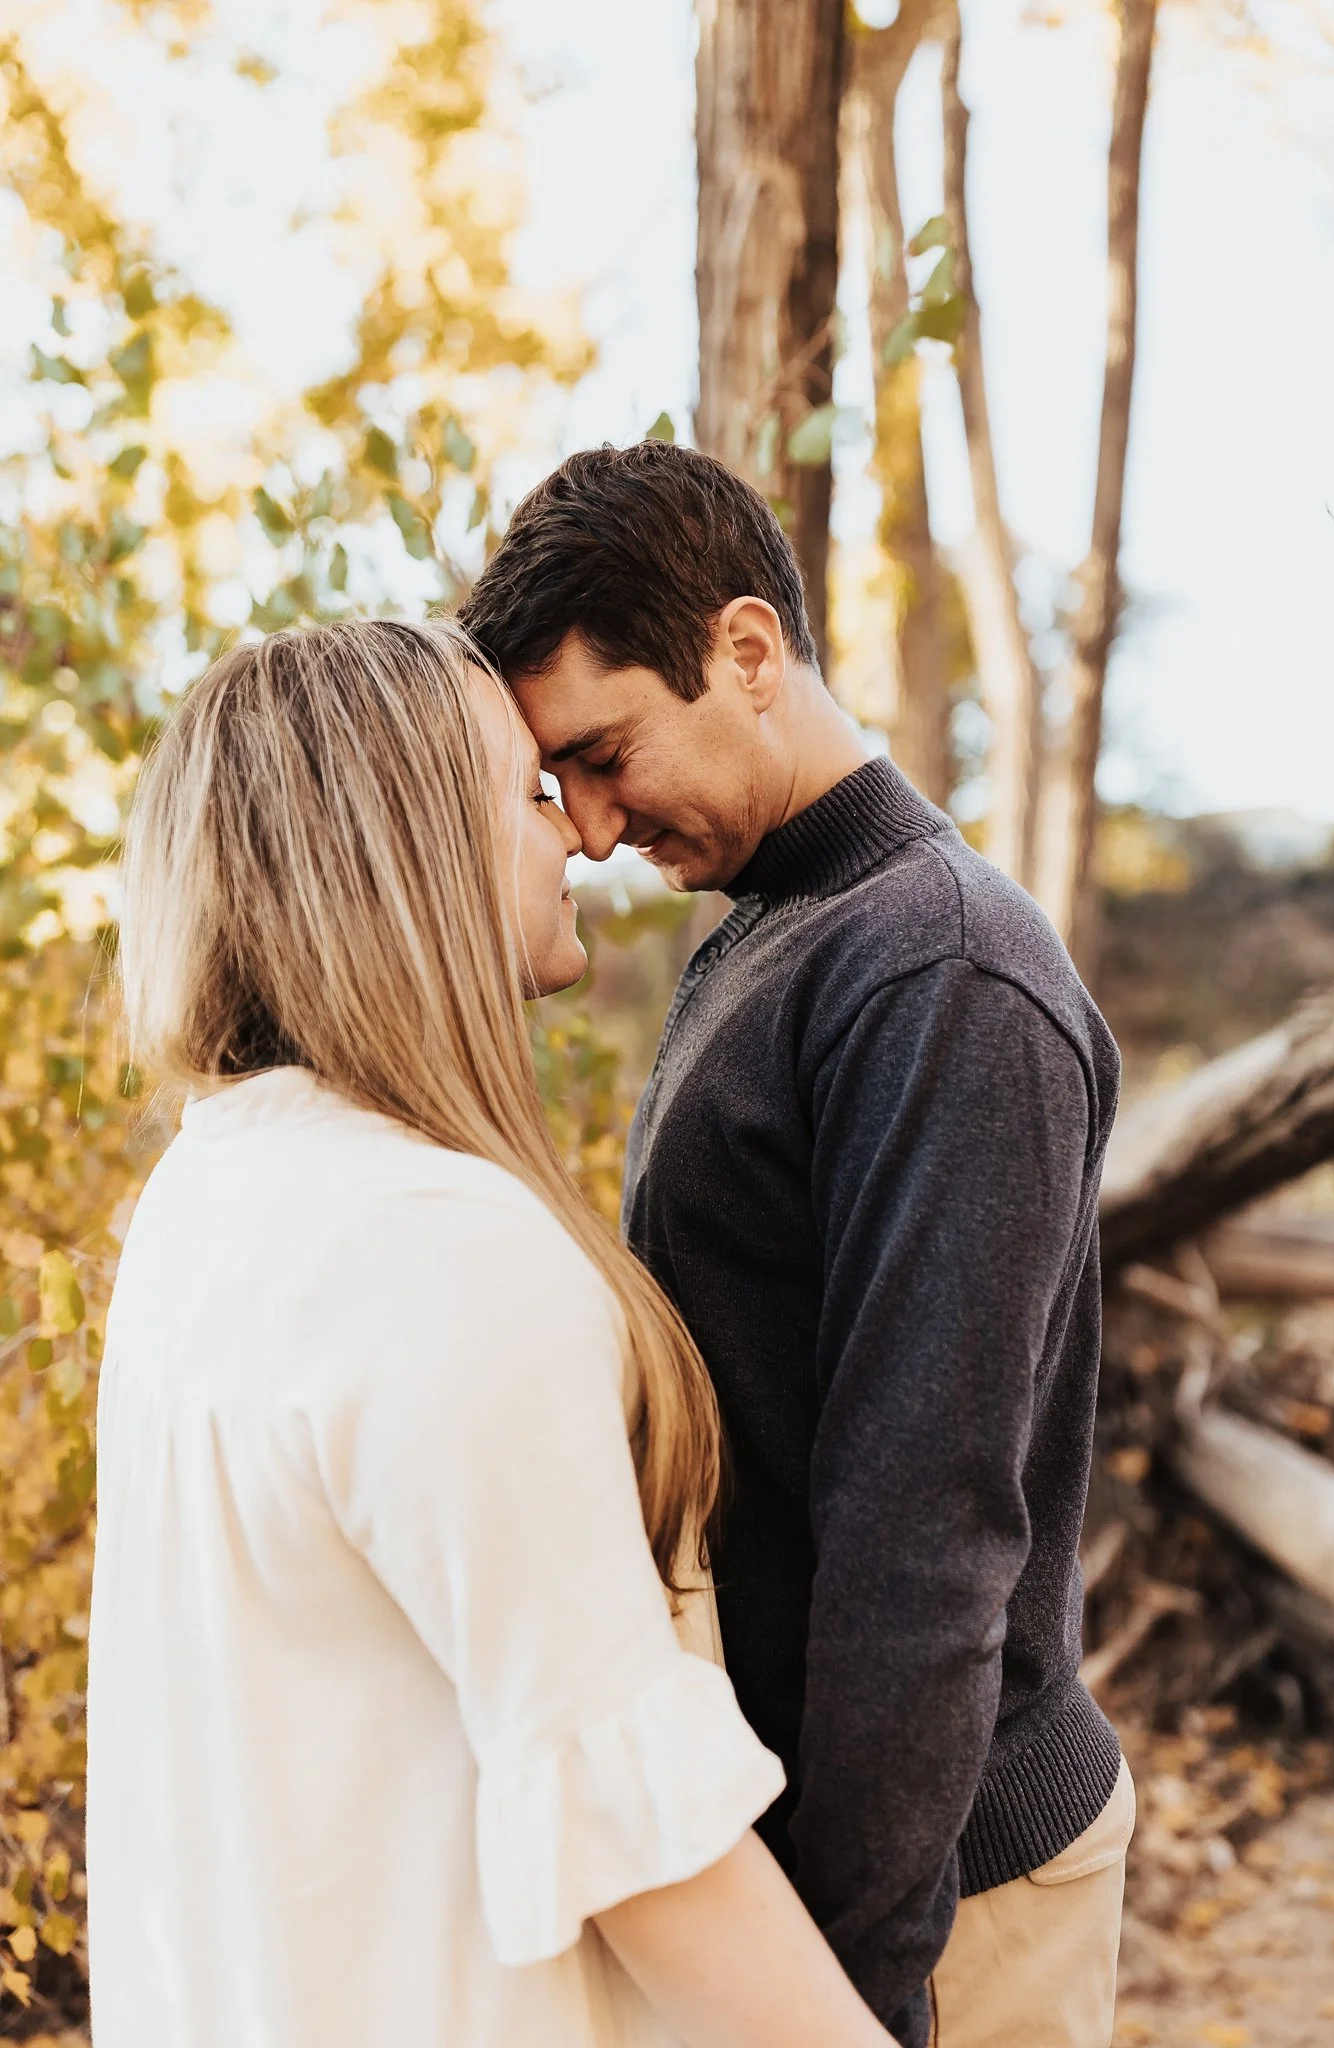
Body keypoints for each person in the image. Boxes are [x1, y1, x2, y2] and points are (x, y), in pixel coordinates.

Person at [86, 616, 899, 2048]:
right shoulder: (431, 1247)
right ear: (407, 852)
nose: (577, 838)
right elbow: (648, 1846)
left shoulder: (212, 1191)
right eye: (529, 793)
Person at [461, 440, 1135, 2048]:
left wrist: (856, 1986)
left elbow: (928, 1534)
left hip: (945, 1891)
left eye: (609, 754)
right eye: (564, 781)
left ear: (747, 653)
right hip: (808, 1861)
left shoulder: (942, 975)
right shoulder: (780, 932)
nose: (600, 826)